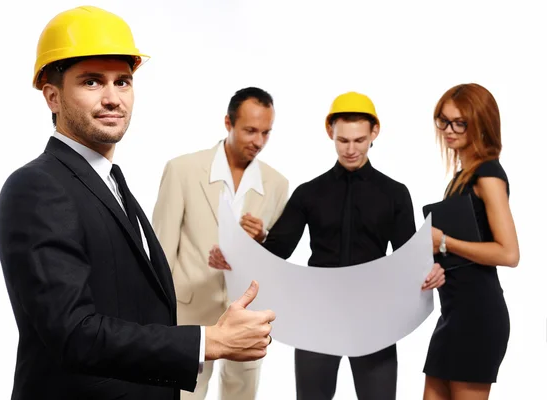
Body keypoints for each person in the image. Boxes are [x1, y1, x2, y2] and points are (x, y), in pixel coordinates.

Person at [0, 6, 275, 400]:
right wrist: (207, 342)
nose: (113, 98)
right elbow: (73, 333)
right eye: (92, 82)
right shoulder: (37, 187)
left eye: (122, 82)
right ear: (52, 96)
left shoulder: (111, 183)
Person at [210, 91, 446, 400]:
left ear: (374, 133)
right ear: (330, 133)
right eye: (343, 140)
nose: (350, 149)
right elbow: (278, 250)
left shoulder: (395, 193)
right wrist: (235, 257)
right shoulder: (309, 193)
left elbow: (406, 258)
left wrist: (432, 269)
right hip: (316, 318)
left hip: (375, 319)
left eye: (359, 140)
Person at [152, 87, 289, 400]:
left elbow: (274, 259)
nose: (258, 141)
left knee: (241, 395)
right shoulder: (182, 169)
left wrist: (260, 240)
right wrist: (157, 318)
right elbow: (161, 249)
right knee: (184, 395)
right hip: (189, 313)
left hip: (247, 313)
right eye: (250, 130)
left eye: (266, 133)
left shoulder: (278, 184)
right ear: (228, 123)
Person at [422, 83, 520, 400]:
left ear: (481, 123)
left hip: (478, 316)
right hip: (452, 315)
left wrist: (445, 242)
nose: (449, 130)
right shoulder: (461, 178)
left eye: (459, 122)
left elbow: (509, 253)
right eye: (443, 120)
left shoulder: (487, 175)